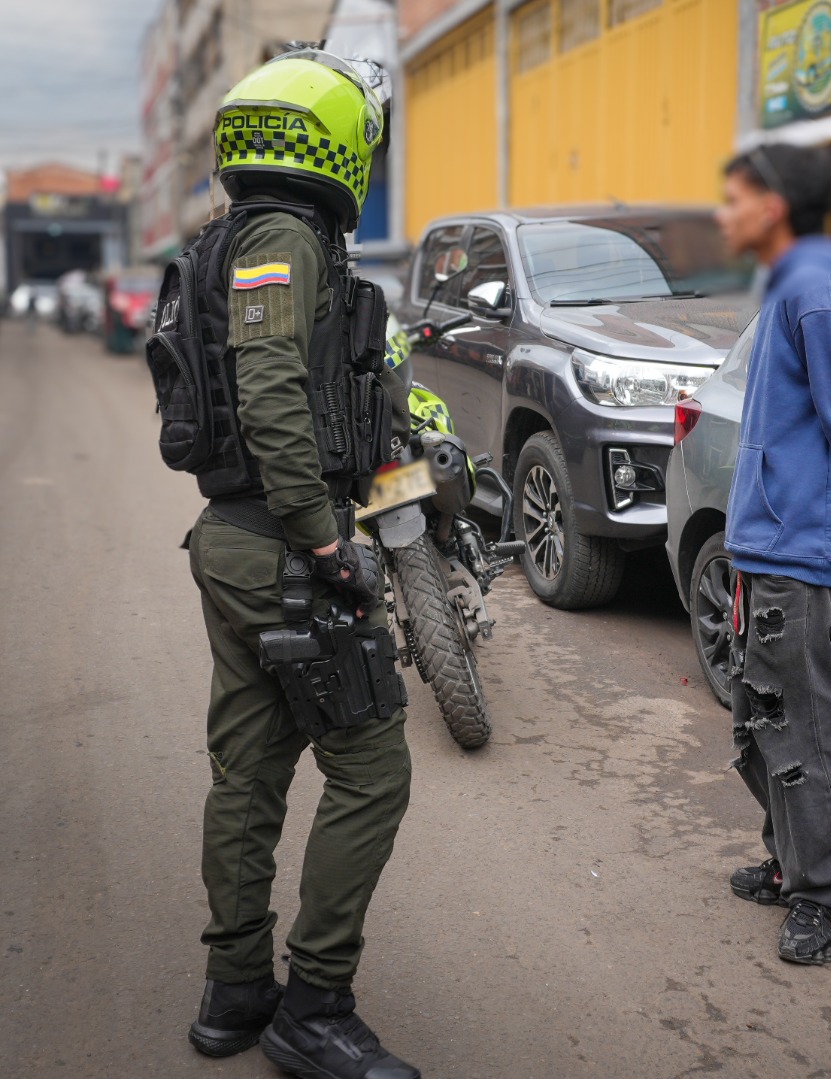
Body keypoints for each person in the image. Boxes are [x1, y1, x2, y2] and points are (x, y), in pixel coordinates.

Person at [166, 49, 421, 1079]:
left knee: (251, 765)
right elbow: (271, 387)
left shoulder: (234, 235)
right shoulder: (282, 236)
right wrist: (327, 540)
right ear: (332, 133)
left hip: (234, 542)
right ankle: (314, 1003)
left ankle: (234, 994)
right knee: (373, 764)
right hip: (279, 545)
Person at [713, 143, 831, 965]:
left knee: (811, 729)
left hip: (806, 554)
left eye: (735, 198)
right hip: (767, 545)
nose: (723, 214)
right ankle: (794, 860)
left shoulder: (820, 287)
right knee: (763, 720)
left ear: (778, 204)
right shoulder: (793, 282)